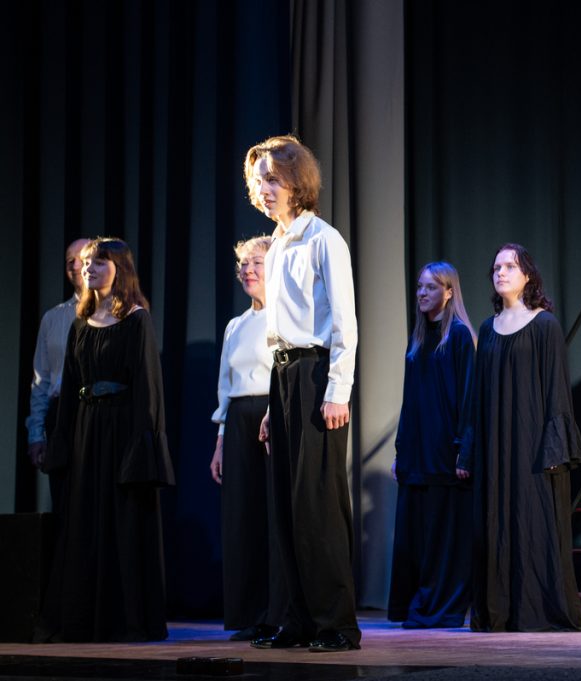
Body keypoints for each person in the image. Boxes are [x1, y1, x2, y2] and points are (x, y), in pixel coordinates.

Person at [244, 135, 361, 652]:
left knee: (317, 503)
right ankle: (297, 619)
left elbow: (344, 322)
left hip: (316, 374)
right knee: (286, 507)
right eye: (259, 181)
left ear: (298, 181)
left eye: (273, 179)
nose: (264, 189)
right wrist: (274, 405)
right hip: (284, 377)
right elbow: (278, 332)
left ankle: (337, 623)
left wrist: (338, 390)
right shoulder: (276, 246)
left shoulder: (323, 239)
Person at [35, 238, 173, 642]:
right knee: (83, 523)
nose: (89, 269)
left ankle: (126, 619)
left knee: (122, 524)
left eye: (98, 262)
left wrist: (142, 447)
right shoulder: (80, 323)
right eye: (86, 263)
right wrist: (62, 443)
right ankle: (82, 618)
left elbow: (147, 388)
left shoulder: (136, 319)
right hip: (86, 431)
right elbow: (70, 386)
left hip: (121, 431)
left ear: (119, 269)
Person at [458, 243, 581, 632]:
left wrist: (555, 448)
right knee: (495, 520)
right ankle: (499, 610)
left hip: (533, 445)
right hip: (495, 446)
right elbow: (477, 397)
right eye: (496, 267)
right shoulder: (487, 329)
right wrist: (469, 451)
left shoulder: (545, 325)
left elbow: (557, 390)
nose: (500, 273)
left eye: (510, 266)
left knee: (532, 521)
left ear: (527, 275)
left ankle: (539, 609)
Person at [388, 262, 475, 629]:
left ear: (449, 292)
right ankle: (416, 604)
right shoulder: (419, 339)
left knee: (443, 536)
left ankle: (442, 608)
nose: (422, 293)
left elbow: (469, 399)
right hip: (416, 453)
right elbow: (409, 401)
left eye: (431, 287)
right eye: (420, 287)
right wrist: (400, 452)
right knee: (418, 536)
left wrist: (464, 450)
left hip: (444, 455)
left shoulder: (459, 337)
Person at [209, 236, 285, 641]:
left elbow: (285, 373)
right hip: (239, 419)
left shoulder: (284, 318)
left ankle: (277, 612)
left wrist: (275, 411)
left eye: (256, 262)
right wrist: (221, 439)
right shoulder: (235, 326)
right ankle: (248, 613)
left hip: (272, 415)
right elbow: (226, 385)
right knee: (243, 517)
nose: (248, 270)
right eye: (243, 264)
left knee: (272, 514)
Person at [26, 237, 91, 514]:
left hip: (95, 413)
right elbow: (41, 381)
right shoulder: (52, 319)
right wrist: (36, 434)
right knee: (64, 502)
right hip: (59, 416)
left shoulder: (116, 315)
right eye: (69, 260)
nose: (74, 265)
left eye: (81, 259)